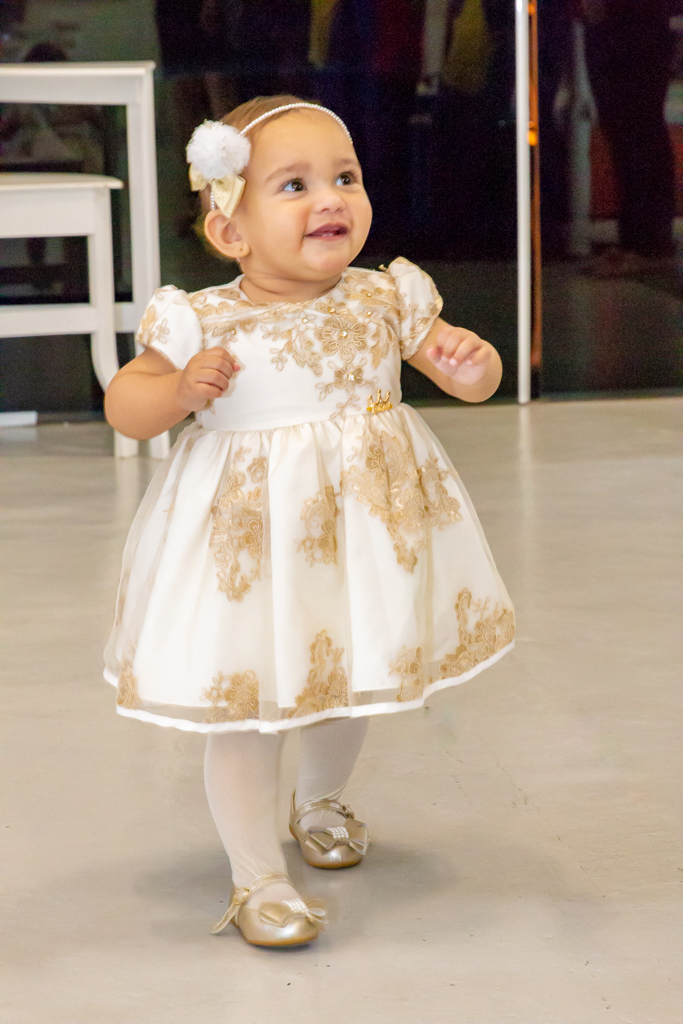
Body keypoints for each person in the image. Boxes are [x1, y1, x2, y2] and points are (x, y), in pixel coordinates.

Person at [103, 95, 515, 949]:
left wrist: (472, 365)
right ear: (231, 232)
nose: (330, 198)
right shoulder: (201, 320)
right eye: (294, 185)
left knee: (345, 666)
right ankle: (256, 874)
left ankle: (320, 799)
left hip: (364, 532)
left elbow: (459, 370)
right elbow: (126, 405)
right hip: (251, 547)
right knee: (252, 702)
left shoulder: (384, 298)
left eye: (345, 177)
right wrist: (177, 392)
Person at [581, 0, 676, 275]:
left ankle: (648, 244)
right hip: (620, 21)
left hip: (635, 19)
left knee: (639, 130)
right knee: (624, 131)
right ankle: (635, 241)